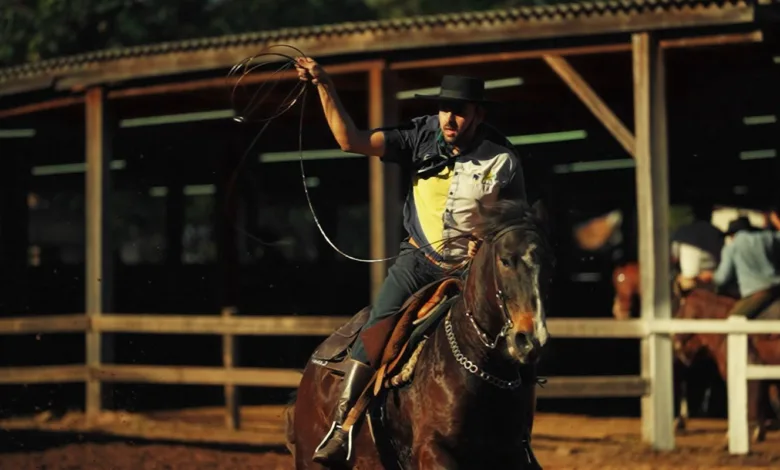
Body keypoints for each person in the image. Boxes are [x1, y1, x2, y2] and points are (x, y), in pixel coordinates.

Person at [294, 57, 529, 464]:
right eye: (444, 109)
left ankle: (520, 440)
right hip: (418, 262)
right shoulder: (418, 136)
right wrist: (324, 86)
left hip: (473, 270)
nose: (449, 118)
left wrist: (486, 241)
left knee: (515, 343)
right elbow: (350, 140)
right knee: (377, 327)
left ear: (479, 114)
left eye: (459, 111)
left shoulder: (503, 159)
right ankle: (342, 426)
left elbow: (516, 226)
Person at [713, 204, 780, 319]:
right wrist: (776, 220)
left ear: (732, 234)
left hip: (755, 293)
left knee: (733, 321)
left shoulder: (732, 247)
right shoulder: (767, 238)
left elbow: (722, 279)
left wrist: (709, 276)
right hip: (777, 287)